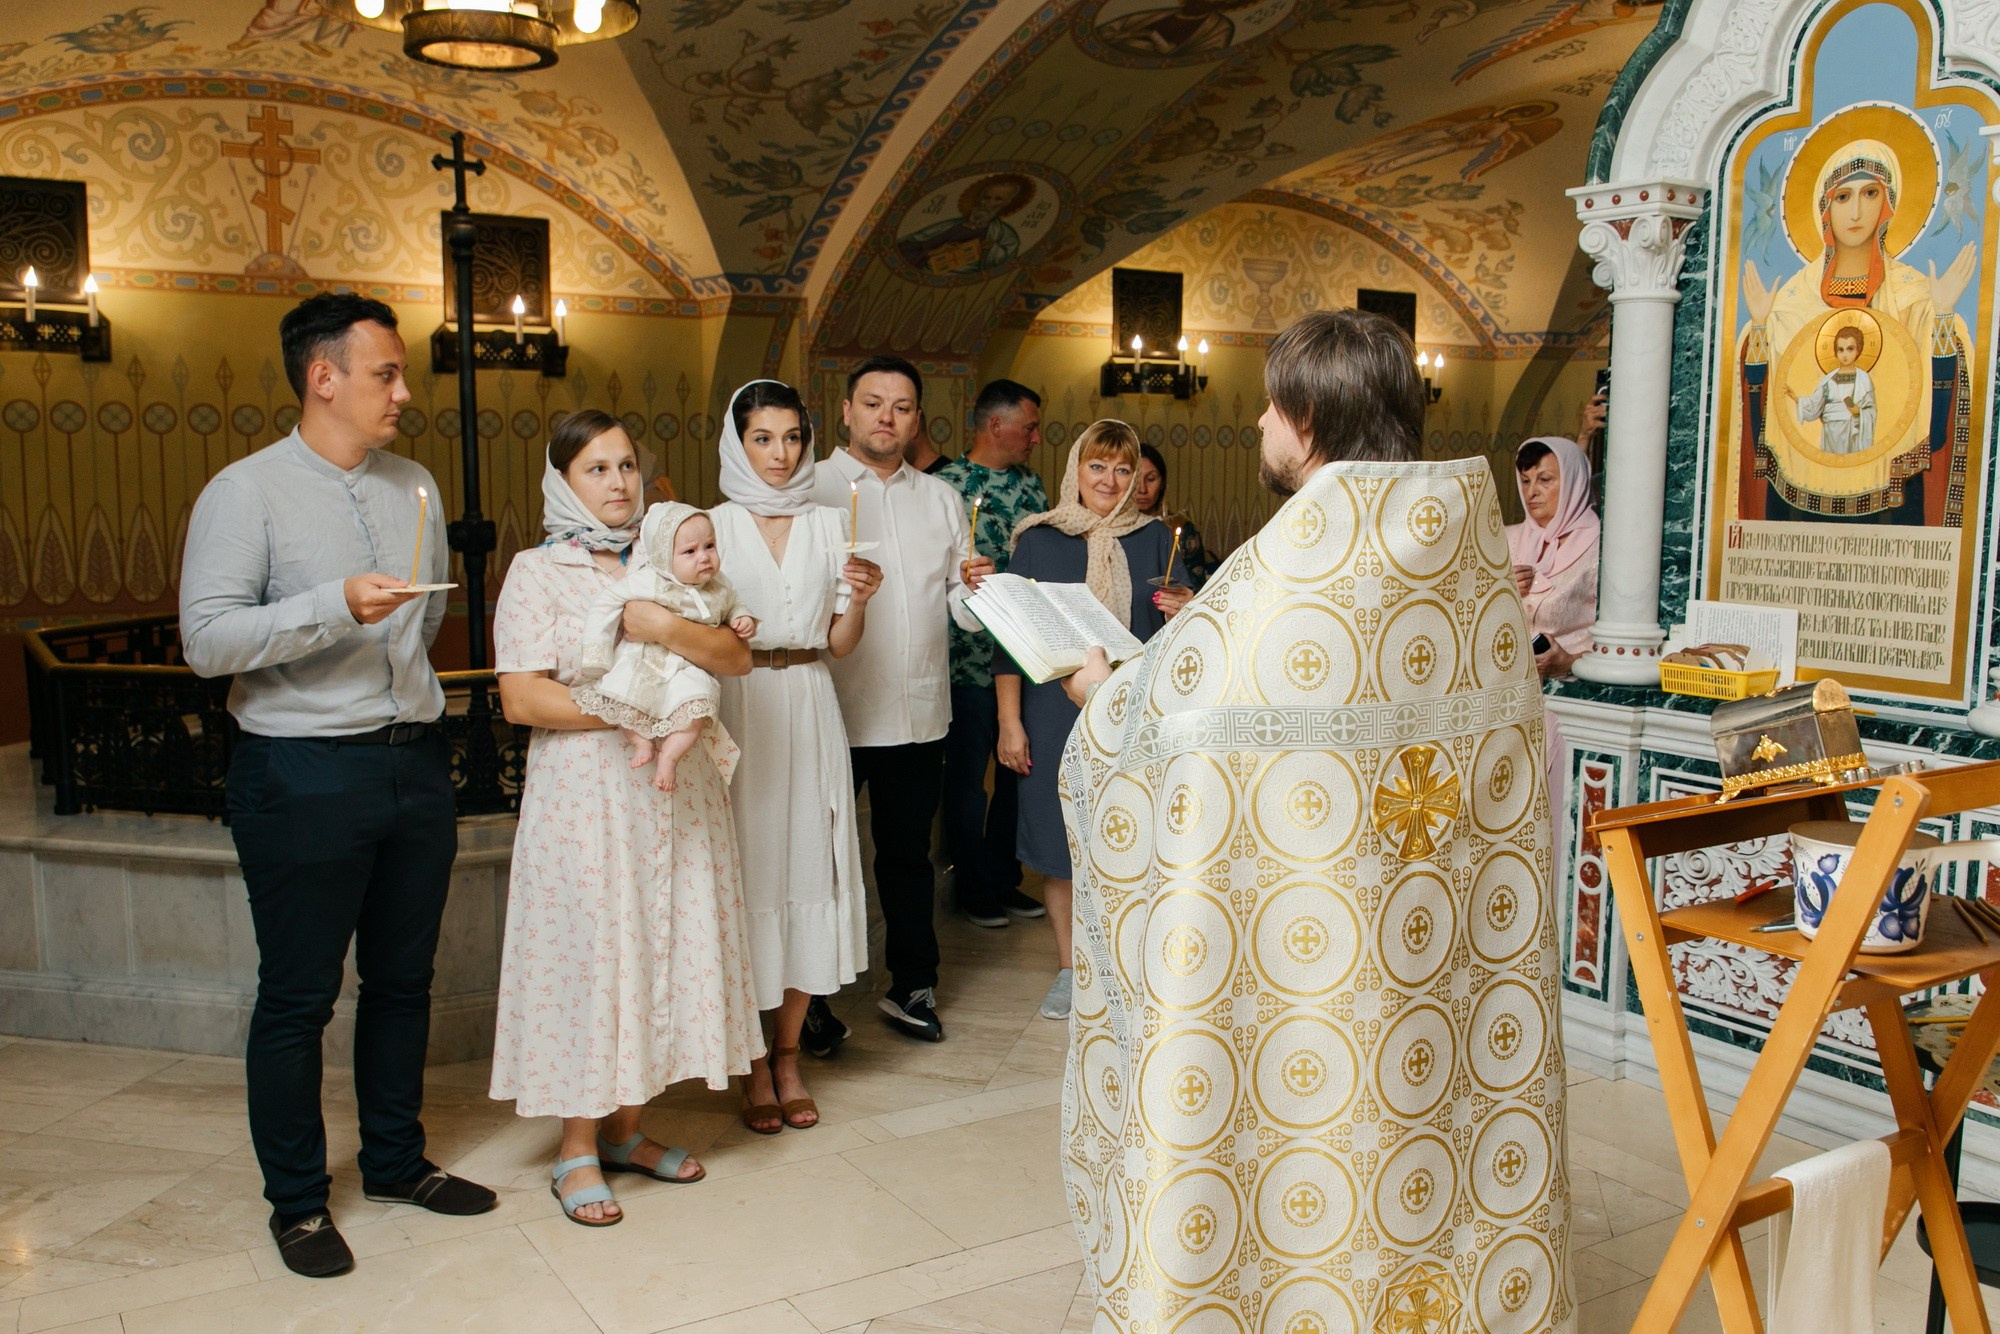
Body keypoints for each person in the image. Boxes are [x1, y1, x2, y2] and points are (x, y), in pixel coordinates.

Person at [1058, 309, 1568, 1330]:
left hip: (1304, 952)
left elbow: (1156, 730)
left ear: (1304, 415)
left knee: (1306, 1130)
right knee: (1421, 1128)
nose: (1252, 422)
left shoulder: (1294, 561)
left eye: (1268, 402)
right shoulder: (1456, 545)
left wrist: (1095, 687)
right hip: (1429, 943)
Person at [179, 293, 496, 1278]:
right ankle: (299, 1202)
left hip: (412, 757)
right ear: (323, 377)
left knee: (404, 981)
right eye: (385, 374)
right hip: (301, 768)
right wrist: (331, 606)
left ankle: (397, 1162)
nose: (404, 391)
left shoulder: (415, 486)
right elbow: (206, 639)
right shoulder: (247, 492)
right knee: (299, 994)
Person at [489, 412, 761, 1226]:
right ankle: (575, 1147)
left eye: (627, 466)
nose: (618, 482)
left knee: (663, 947)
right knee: (593, 955)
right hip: (586, 795)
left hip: (673, 798)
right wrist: (633, 707)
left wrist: (665, 628)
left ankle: (628, 1132)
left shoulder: (670, 554)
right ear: (562, 483)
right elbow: (522, 696)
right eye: (596, 470)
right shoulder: (538, 572)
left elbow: (736, 656)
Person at [710, 380, 880, 1127]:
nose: (779, 454)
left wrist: (861, 601)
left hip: (809, 698)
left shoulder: (829, 524)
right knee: (742, 875)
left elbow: (839, 645)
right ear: (736, 442)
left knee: (811, 865)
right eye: (762, 438)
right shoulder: (708, 526)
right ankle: (749, 1062)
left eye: (790, 438)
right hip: (737, 706)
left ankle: (788, 1055)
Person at [811, 356, 992, 1043]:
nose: (887, 417)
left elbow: (959, 609)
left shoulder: (941, 498)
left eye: (903, 407)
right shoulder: (813, 487)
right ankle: (812, 999)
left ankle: (912, 985)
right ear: (848, 411)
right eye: (874, 403)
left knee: (908, 855)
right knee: (822, 857)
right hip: (830, 703)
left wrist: (974, 591)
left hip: (916, 709)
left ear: (918, 420)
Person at [995, 421, 1188, 1022]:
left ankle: (1131, 971)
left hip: (1136, 709)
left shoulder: (1157, 538)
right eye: (1097, 467)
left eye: (1124, 469)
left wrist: (1187, 607)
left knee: (1134, 836)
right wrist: (1009, 723)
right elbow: (1011, 637)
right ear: (1075, 469)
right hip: (1052, 709)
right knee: (1060, 841)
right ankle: (1069, 970)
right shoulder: (1039, 539)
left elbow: (1177, 637)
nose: (1110, 480)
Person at [934, 379, 1050, 928]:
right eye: (1029, 426)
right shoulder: (945, 487)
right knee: (966, 781)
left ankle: (1005, 878)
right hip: (965, 659)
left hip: (1024, 657)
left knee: (1017, 774)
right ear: (994, 425)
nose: (1035, 437)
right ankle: (972, 885)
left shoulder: (1034, 486)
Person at [572, 504, 756, 793]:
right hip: (645, 658)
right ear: (663, 557)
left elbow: (732, 602)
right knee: (624, 696)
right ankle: (640, 741)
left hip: (688, 665)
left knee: (697, 706)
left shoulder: (719, 584)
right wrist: (597, 651)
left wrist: (740, 617)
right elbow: (606, 602)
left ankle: (669, 756)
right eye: (690, 552)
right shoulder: (651, 580)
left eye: (710, 546)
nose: (705, 557)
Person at [1507, 435, 1600, 681]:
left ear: (1573, 483)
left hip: (1570, 694)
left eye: (1545, 480)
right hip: (1506, 689)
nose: (1531, 492)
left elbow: (1620, 641)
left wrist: (1569, 663)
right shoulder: (1504, 540)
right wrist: (1500, 592)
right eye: (1525, 481)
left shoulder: (1602, 549)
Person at [1133, 442, 1218, 590]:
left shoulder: (1182, 529)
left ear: (1163, 483)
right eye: (1135, 480)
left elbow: (1195, 589)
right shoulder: (1108, 529)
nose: (1142, 489)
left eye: (1151, 478)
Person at [1788, 321, 1876, 455]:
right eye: (1840, 349)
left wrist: (1858, 411)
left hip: (1852, 430)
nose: (1845, 354)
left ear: (1858, 350)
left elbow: (1871, 410)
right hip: (1831, 431)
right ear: (1835, 352)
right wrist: (1796, 398)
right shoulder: (1828, 380)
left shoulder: (1863, 379)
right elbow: (1814, 404)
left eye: (1850, 349)